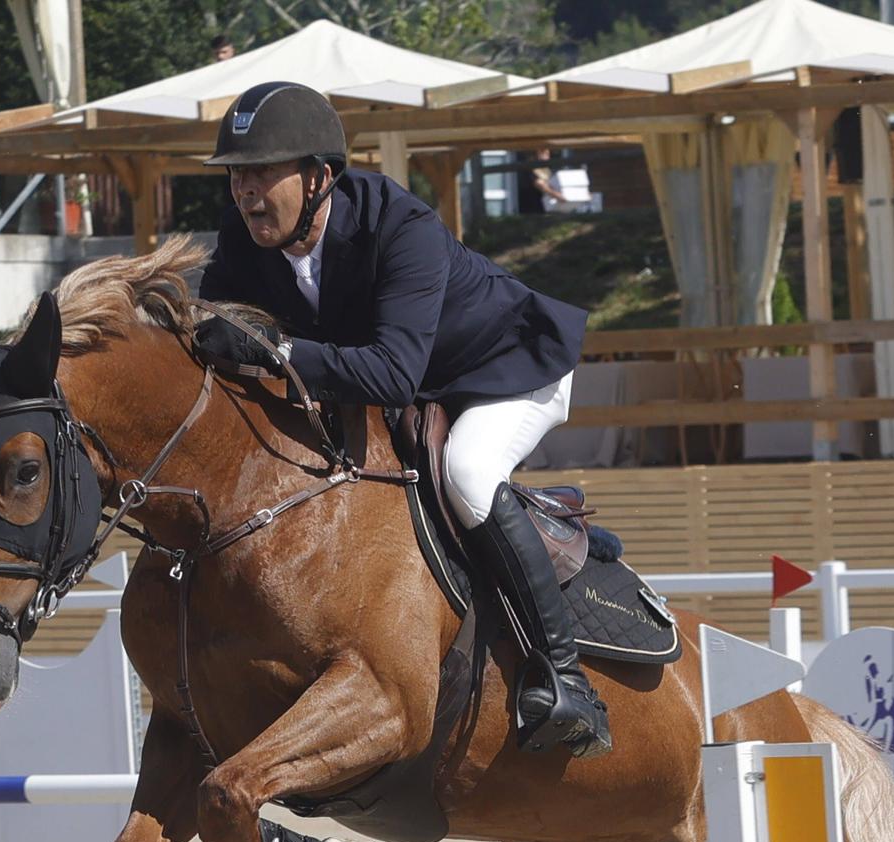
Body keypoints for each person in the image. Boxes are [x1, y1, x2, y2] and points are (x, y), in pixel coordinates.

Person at [192, 82, 607, 758]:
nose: (245, 190)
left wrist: (276, 350)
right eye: (238, 174)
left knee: (468, 471)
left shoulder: (400, 227)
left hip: (507, 370)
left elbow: (389, 374)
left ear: (320, 176)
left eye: (262, 172)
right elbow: (208, 329)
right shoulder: (244, 242)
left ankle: (565, 678)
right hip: (419, 387)